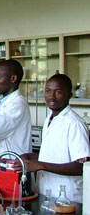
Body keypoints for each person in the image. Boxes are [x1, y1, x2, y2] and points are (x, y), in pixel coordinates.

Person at [17, 74, 90, 203]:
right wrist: (31, 157)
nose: (51, 96)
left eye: (58, 92)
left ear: (70, 95)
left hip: (68, 198)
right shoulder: (50, 119)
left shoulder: (75, 124)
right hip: (48, 193)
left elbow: (81, 167)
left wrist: (41, 165)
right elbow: (56, 155)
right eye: (48, 91)